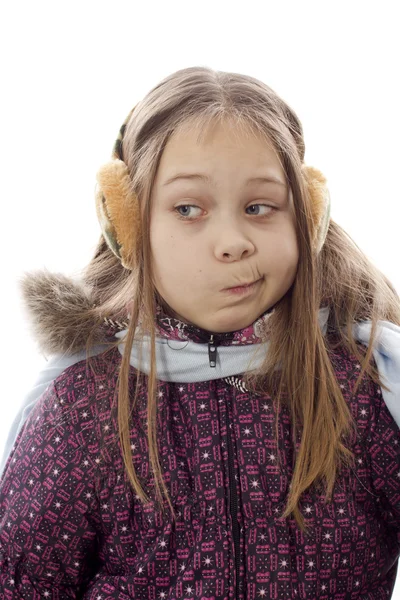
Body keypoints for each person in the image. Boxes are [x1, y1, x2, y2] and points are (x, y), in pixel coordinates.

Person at [1, 66, 400, 600]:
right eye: (188, 209)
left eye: (260, 207)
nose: (232, 241)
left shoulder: (365, 388)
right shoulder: (83, 406)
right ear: (128, 225)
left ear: (309, 218)